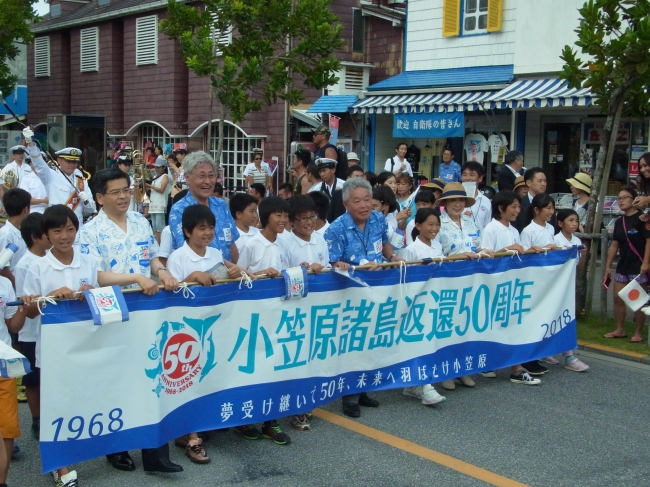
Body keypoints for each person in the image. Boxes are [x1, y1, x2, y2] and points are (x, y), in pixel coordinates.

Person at [77, 168, 185, 474]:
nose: (124, 196)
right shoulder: (90, 231)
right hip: (112, 312)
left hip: (147, 309)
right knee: (117, 381)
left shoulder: (140, 221)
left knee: (153, 378)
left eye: (127, 189)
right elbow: (94, 276)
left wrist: (161, 272)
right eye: (116, 192)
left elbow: (152, 256)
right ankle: (117, 447)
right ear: (99, 198)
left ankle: (155, 454)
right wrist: (136, 277)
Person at [24, 204, 99, 486]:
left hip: (86, 343)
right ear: (46, 234)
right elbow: (29, 311)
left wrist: (92, 293)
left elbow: (98, 301)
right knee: (55, 404)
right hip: (54, 349)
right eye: (57, 231)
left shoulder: (88, 261)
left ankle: (99, 448)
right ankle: (60, 466)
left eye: (69, 229)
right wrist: (49, 296)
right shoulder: (38, 266)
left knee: (85, 400)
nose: (64, 236)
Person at [325, 178, 402, 418]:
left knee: (373, 339)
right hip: (352, 293)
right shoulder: (335, 229)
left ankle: (365, 388)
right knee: (353, 342)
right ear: (347, 204)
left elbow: (385, 243)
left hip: (379, 289)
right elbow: (332, 263)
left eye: (367, 200)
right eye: (357, 201)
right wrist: (351, 267)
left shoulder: (378, 219)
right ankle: (349, 395)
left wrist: (392, 257)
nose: (364, 205)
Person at [235, 196, 293, 445]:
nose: (283, 220)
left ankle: (271, 420)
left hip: (276, 316)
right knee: (250, 367)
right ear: (266, 217)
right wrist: (258, 274)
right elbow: (237, 277)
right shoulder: (251, 244)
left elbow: (289, 273)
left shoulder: (283, 245)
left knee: (273, 366)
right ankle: (244, 419)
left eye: (285, 215)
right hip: (252, 317)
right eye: (278, 215)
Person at [478, 192, 542, 385]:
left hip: (512, 285)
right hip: (495, 285)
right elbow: (486, 257)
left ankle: (516, 367)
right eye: (513, 206)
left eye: (518, 206)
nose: (517, 210)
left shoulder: (514, 230)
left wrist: (532, 250)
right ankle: (494, 362)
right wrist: (506, 251)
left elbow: (519, 251)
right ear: (501, 208)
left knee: (512, 325)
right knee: (495, 325)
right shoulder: (491, 229)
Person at [435, 182, 488, 390]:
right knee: (447, 326)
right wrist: (456, 257)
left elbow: (478, 246)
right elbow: (436, 255)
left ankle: (463, 369)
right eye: (453, 200)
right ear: (445, 203)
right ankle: (445, 371)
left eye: (460, 200)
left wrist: (485, 251)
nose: (457, 204)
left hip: (471, 282)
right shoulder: (438, 224)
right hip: (447, 282)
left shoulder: (471, 222)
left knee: (466, 326)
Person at [15, 213, 50, 440]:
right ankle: (37, 418)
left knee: (47, 376)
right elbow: (23, 300)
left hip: (47, 327)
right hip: (30, 331)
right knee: (32, 379)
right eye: (48, 232)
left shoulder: (49, 258)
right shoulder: (24, 264)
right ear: (35, 237)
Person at [169, 151, 239, 263]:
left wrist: (234, 272)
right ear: (187, 177)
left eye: (211, 175)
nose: (207, 181)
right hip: (199, 277)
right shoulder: (179, 209)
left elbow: (232, 245)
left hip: (228, 277)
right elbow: (188, 252)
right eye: (201, 176)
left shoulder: (220, 204)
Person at [603, 187, 650, 342]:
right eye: (619, 198)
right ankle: (620, 328)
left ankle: (638, 332)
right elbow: (614, 245)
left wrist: (645, 262)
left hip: (638, 266)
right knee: (617, 297)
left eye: (625, 197)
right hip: (623, 265)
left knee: (638, 300)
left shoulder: (642, 219)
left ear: (634, 199)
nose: (621, 201)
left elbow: (649, 241)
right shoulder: (618, 222)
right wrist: (608, 265)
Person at [24, 132, 96, 226]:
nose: (72, 165)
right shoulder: (50, 175)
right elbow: (39, 164)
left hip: (77, 228)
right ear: (59, 160)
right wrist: (31, 144)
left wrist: (86, 201)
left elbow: (90, 210)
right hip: (56, 225)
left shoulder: (82, 182)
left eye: (75, 162)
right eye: (68, 161)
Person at [550, 208, 590, 372]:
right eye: (571, 220)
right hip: (555, 287)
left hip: (568, 285)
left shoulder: (577, 240)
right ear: (560, 223)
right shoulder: (555, 240)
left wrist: (583, 254)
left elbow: (579, 266)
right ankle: (568, 355)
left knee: (565, 317)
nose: (575, 224)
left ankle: (565, 353)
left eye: (576, 221)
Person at [1, 146, 48, 213]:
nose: (20, 155)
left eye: (22, 153)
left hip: (27, 196)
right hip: (15, 197)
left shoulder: (28, 167)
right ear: (13, 156)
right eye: (18, 154)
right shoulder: (8, 167)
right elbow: (1, 181)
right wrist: (9, 188)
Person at [0, 188, 30, 287]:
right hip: (12, 289)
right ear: (26, 209)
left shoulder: (23, 231)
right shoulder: (6, 234)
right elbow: (3, 267)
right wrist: (18, 285)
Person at [146, 156, 171, 243]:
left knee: (160, 227)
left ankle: (162, 245)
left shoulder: (165, 176)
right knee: (155, 227)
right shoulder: (156, 177)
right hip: (153, 204)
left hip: (160, 204)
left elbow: (161, 190)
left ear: (164, 167)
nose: (156, 168)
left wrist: (150, 186)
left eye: (158, 167)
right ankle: (157, 245)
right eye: (156, 167)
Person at [514, 167, 548, 232]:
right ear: (529, 183)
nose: (543, 184)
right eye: (539, 181)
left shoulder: (549, 203)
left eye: (545, 181)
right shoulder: (519, 204)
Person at [461, 162, 491, 231]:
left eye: (472, 175)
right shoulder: (454, 199)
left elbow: (487, 226)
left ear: (480, 178)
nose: (467, 178)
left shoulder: (486, 201)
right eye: (464, 175)